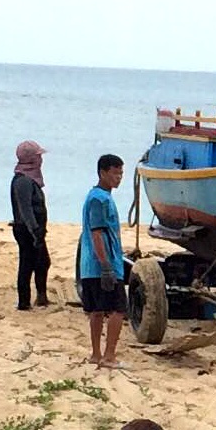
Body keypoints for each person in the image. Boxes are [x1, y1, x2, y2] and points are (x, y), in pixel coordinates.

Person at [77, 154, 128, 367]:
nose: (118, 178)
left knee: (97, 310)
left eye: (121, 173)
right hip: (103, 264)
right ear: (102, 173)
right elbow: (97, 233)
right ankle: (108, 356)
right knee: (118, 309)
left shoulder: (98, 196)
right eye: (115, 173)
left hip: (90, 266)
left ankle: (96, 354)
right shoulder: (100, 199)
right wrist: (106, 265)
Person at [10, 141, 50, 311]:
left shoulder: (31, 178)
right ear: (32, 159)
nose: (41, 160)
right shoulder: (23, 181)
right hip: (26, 230)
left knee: (42, 262)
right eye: (38, 156)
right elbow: (25, 209)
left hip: (33, 229)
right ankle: (24, 302)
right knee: (27, 264)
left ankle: (41, 296)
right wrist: (35, 231)